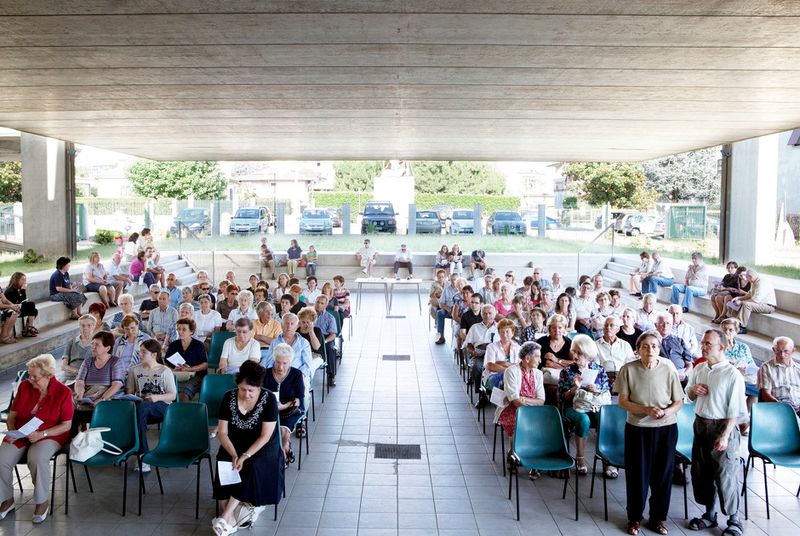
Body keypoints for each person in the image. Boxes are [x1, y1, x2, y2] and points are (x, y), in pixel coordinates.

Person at [616, 331, 684, 536]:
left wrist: (665, 412)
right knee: (638, 475)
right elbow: (622, 401)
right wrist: (646, 410)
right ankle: (634, 518)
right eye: (645, 346)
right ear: (638, 350)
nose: (650, 350)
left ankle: (658, 518)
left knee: (663, 475)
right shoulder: (628, 370)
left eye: (654, 346)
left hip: (666, 429)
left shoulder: (668, 369)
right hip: (638, 429)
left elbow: (678, 402)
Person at [685, 329, 747, 536]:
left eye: (708, 344)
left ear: (721, 347)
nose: (703, 347)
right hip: (701, 424)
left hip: (722, 426)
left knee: (725, 473)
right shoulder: (700, 368)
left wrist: (725, 435)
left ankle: (734, 519)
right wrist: (693, 391)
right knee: (702, 472)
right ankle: (709, 515)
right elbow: (689, 394)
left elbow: (737, 410)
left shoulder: (732, 374)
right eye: (702, 343)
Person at [212, 361, 283, 536]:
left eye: (252, 390)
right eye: (243, 389)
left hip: (262, 446)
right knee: (223, 459)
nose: (247, 394)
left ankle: (226, 516)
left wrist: (244, 456)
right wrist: (234, 454)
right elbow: (222, 432)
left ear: (259, 388)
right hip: (234, 442)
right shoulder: (229, 397)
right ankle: (229, 519)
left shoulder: (269, 400)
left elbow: (265, 436)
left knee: (251, 464)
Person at [0, 354, 73, 524]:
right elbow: (12, 416)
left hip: (49, 434)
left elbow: (66, 425)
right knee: (2, 458)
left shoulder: (63, 392)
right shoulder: (25, 386)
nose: (30, 379)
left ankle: (41, 502)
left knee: (37, 458)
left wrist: (42, 434)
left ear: (48, 376)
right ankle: (7, 500)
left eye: (35, 376)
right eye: (29, 375)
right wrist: (12, 433)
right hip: (21, 432)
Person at [558, 335, 613, 477]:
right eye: (574, 352)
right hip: (573, 408)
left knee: (604, 417)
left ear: (588, 354)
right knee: (584, 420)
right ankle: (580, 458)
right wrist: (574, 389)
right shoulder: (567, 371)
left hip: (595, 406)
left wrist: (596, 389)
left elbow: (607, 391)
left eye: (579, 353)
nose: (575, 356)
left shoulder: (599, 370)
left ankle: (607, 459)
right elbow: (561, 397)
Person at [495, 342, 545, 479]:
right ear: (527, 358)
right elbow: (515, 401)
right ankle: (513, 453)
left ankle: (535, 461)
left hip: (533, 411)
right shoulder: (511, 371)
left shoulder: (539, 374)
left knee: (543, 426)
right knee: (517, 422)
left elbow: (541, 400)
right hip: (512, 409)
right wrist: (524, 400)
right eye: (537, 357)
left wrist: (524, 399)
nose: (540, 360)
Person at [126, 339, 176, 471]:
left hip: (162, 407)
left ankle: (143, 454)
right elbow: (129, 392)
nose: (140, 354)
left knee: (141, 408)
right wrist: (136, 397)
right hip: (142, 407)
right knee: (140, 408)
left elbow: (172, 395)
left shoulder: (165, 371)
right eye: (139, 351)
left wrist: (156, 397)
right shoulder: (134, 370)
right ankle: (143, 454)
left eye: (143, 352)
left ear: (153, 354)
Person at [73, 331, 126, 431]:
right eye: (92, 343)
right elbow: (80, 381)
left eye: (97, 344)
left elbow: (116, 385)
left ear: (107, 348)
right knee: (69, 408)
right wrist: (80, 392)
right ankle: (75, 438)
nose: (93, 346)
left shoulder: (115, 362)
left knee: (94, 410)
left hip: (106, 398)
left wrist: (102, 399)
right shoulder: (88, 361)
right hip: (87, 396)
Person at [262, 343, 305, 463]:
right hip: (269, 410)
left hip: (290, 410)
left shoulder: (296, 374)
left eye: (284, 363)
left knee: (282, 428)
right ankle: (286, 450)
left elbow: (299, 399)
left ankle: (281, 456)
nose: (280, 367)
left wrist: (283, 406)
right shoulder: (265, 374)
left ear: (290, 362)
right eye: (278, 362)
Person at [260, 314, 312, 387]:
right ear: (281, 325)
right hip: (278, 375)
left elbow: (307, 365)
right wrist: (276, 376)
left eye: (292, 324)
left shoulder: (304, 343)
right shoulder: (275, 342)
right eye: (286, 323)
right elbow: (269, 363)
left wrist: (295, 376)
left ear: (297, 326)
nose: (289, 326)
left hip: (298, 376)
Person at [164, 318, 208, 402]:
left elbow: (205, 365)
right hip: (176, 375)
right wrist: (173, 370)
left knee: (183, 395)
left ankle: (182, 414)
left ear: (191, 331)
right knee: (166, 393)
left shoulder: (198, 345)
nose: (180, 332)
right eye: (179, 329)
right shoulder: (173, 345)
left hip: (195, 376)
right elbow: (166, 363)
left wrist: (188, 369)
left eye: (184, 329)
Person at [757, 336, 800, 414]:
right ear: (774, 350)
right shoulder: (766, 367)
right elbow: (766, 394)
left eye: (786, 351)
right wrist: (782, 406)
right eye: (778, 351)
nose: (782, 355)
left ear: (793, 350)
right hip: (778, 407)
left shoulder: (798, 368)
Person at [465, 304, 498, 407]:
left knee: (502, 369)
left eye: (490, 313)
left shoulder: (499, 327)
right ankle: (482, 395)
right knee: (477, 367)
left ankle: (497, 395)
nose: (487, 316)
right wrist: (472, 351)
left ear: (495, 314)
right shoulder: (475, 327)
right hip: (479, 354)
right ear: (481, 314)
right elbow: (468, 344)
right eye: (484, 313)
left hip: (495, 355)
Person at [729, 269, 776, 335]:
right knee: (735, 303)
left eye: (748, 279)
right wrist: (739, 298)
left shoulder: (762, 282)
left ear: (751, 277)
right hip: (759, 304)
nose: (747, 280)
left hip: (768, 306)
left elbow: (755, 300)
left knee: (746, 304)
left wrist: (741, 302)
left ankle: (742, 327)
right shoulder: (754, 281)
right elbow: (749, 294)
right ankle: (732, 324)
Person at [537, 314, 573, 394]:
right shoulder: (541, 342)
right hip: (544, 377)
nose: (557, 330)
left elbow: (575, 364)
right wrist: (563, 365)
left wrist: (556, 361)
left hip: (564, 376)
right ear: (549, 329)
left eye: (560, 327)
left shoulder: (570, 343)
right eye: (554, 327)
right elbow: (541, 364)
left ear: (564, 329)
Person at [655, 312, 694, 384]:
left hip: (680, 375)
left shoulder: (680, 341)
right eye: (661, 323)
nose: (665, 326)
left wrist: (685, 374)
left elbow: (689, 364)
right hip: (659, 376)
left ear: (672, 325)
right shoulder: (650, 341)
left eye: (668, 323)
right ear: (655, 325)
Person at [482, 318, 521, 390]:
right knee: (504, 381)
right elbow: (490, 366)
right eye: (502, 332)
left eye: (507, 332)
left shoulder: (518, 348)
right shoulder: (491, 347)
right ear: (498, 333)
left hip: (514, 377)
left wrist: (503, 363)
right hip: (493, 376)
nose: (505, 335)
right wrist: (510, 369)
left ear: (512, 333)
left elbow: (520, 367)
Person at [596, 316, 635, 386]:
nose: (608, 327)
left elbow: (631, 365)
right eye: (606, 325)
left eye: (611, 325)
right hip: (603, 377)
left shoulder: (625, 345)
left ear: (617, 329)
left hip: (622, 377)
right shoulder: (595, 345)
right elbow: (595, 367)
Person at [62, 314, 97, 381]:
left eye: (89, 325)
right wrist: (78, 371)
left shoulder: (97, 343)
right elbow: (64, 366)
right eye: (82, 325)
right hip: (69, 375)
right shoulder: (72, 342)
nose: (85, 328)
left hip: (88, 376)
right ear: (79, 326)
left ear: (94, 326)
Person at [3, 272, 38, 337]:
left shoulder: (19, 289)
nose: (25, 281)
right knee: (31, 304)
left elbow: (23, 301)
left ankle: (27, 330)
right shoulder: (11, 290)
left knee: (34, 310)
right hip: (11, 311)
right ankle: (30, 328)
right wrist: (23, 291)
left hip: (18, 309)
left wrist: (22, 291)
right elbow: (20, 302)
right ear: (16, 280)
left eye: (25, 279)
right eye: (23, 279)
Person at [313, 296, 338, 387]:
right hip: (311, 336)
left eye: (322, 303)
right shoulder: (309, 314)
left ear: (326, 305)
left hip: (324, 338)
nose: (319, 304)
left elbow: (333, 334)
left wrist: (325, 341)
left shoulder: (330, 317)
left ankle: (331, 375)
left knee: (330, 348)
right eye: (317, 302)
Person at [434, 273, 459, 345]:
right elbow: (441, 303)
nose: (453, 282)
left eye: (455, 280)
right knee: (440, 313)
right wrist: (448, 308)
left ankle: (459, 336)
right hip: (448, 310)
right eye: (451, 280)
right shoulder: (446, 289)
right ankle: (441, 337)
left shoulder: (461, 288)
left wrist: (455, 310)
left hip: (459, 312)